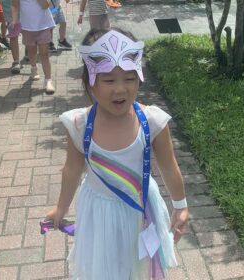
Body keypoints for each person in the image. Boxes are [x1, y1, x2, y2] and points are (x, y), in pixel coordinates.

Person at [46, 28, 189, 279]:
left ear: (139, 79)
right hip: (98, 211)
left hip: (140, 209)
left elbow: (168, 166)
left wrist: (181, 206)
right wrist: (60, 209)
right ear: (90, 82)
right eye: (109, 80)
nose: (120, 89)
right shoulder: (79, 124)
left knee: (136, 265)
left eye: (130, 79)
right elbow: (71, 170)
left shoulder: (152, 121)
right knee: (104, 267)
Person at [19, 0, 56, 94]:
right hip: (27, 27)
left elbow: (45, 5)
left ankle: (48, 81)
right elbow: (14, 6)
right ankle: (33, 68)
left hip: (43, 25)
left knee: (44, 54)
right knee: (32, 51)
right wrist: (15, 21)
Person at [2, 0, 21, 73]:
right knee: (13, 36)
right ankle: (16, 61)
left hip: (25, 9)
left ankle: (28, 52)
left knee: (29, 33)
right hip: (9, 10)